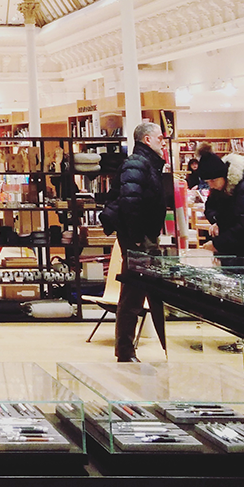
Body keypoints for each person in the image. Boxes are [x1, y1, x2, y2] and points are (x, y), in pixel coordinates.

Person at [99, 121, 169, 362]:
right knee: (134, 293)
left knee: (141, 292)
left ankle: (135, 349)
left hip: (142, 238)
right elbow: (131, 202)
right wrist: (138, 239)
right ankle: (126, 350)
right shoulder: (137, 164)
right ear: (147, 140)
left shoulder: (146, 165)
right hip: (139, 240)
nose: (163, 141)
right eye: (160, 137)